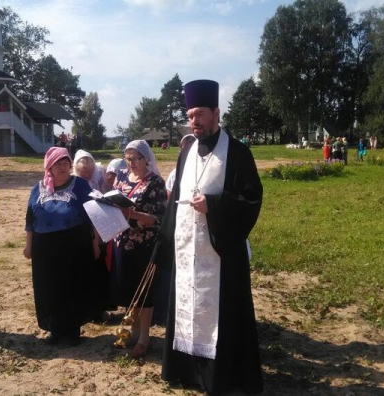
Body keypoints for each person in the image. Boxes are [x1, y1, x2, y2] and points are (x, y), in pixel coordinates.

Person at [151, 80, 264, 395]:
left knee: (223, 315)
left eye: (199, 114)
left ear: (216, 113)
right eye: (189, 115)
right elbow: (175, 203)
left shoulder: (239, 153)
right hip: (188, 251)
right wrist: (164, 243)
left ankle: (222, 377)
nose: (194, 121)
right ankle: (186, 371)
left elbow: (251, 198)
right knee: (186, 308)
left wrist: (213, 206)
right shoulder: (186, 152)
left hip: (220, 255)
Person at [23, 147, 99, 346]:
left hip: (74, 244)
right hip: (44, 247)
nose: (64, 167)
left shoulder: (80, 186)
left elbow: (95, 216)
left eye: (66, 162)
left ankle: (72, 331)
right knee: (48, 288)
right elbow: (30, 219)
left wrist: (96, 243)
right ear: (49, 165)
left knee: (72, 286)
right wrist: (28, 246)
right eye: (59, 163)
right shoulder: (37, 188)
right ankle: (55, 330)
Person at [111, 140, 167, 359]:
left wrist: (131, 214)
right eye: (128, 158)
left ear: (146, 159)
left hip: (144, 245)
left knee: (145, 292)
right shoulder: (122, 177)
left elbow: (159, 219)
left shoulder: (155, 182)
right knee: (129, 289)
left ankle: (144, 337)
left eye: (136, 158)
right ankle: (132, 331)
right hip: (122, 243)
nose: (131, 163)